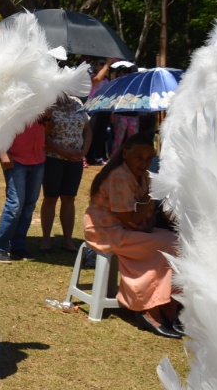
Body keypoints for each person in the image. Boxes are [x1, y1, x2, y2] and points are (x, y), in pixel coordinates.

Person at [83, 132, 181, 338]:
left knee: (179, 242)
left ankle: (169, 304)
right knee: (165, 244)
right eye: (139, 157)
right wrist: (150, 197)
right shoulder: (119, 176)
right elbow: (131, 219)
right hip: (105, 231)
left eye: (149, 158)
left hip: (127, 228)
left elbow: (143, 219)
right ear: (125, 154)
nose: (145, 163)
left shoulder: (143, 176)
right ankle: (148, 308)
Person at [39, 93, 91, 253]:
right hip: (53, 159)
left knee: (69, 198)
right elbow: (42, 136)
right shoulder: (47, 105)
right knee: (50, 198)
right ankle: (46, 240)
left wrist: (84, 151)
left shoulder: (77, 103)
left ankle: (68, 240)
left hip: (75, 161)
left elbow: (88, 129)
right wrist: (64, 152)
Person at [0, 117, 46, 262]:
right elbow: (0, 125)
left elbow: (48, 128)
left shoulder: (43, 102)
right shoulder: (17, 99)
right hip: (16, 159)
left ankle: (18, 247)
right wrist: (3, 153)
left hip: (38, 158)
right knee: (15, 204)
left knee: (29, 205)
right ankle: (0, 247)